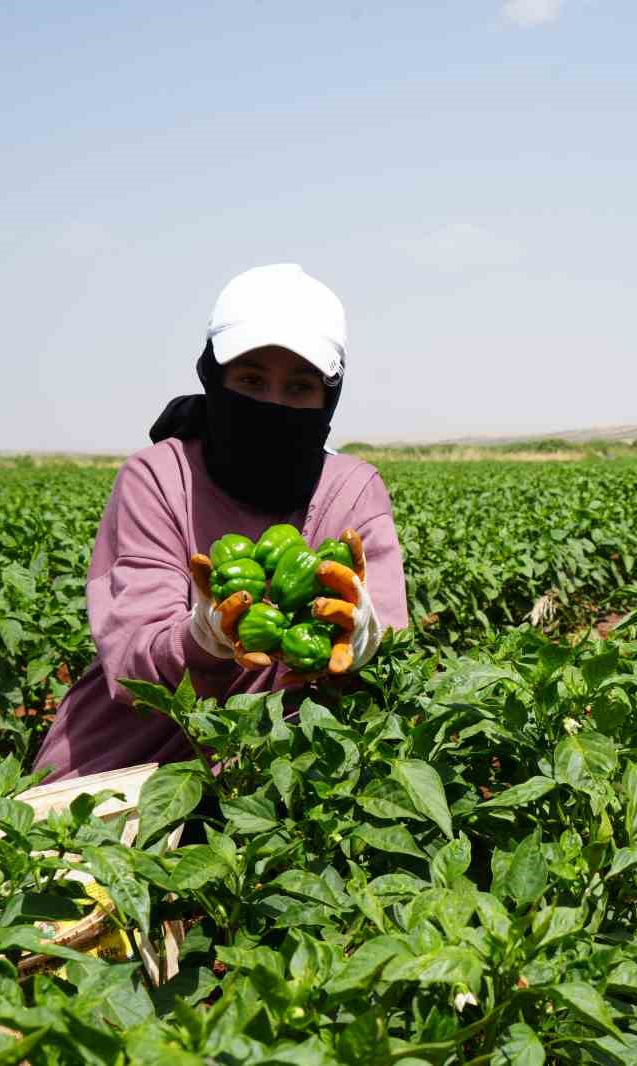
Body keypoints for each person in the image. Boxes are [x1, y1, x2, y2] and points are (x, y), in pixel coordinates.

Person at [34, 263, 409, 782]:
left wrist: (366, 632)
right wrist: (203, 636)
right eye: (251, 380)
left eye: (299, 387)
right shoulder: (162, 477)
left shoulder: (351, 491)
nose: (272, 405)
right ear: (214, 376)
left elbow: (388, 635)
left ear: (329, 398)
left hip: (282, 773)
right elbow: (131, 661)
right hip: (133, 762)